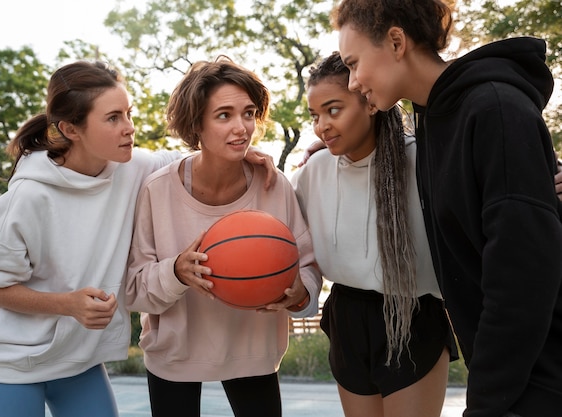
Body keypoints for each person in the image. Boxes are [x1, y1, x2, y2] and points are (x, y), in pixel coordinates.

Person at [0, 60, 277, 417]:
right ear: (71, 129)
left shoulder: (132, 167)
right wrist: (68, 304)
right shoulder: (27, 198)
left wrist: (240, 151)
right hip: (10, 366)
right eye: (113, 118)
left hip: (77, 363)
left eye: (128, 113)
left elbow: (196, 159)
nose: (129, 128)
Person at [331, 1, 562, 416]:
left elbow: (521, 281)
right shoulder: (435, 120)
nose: (351, 82)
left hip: (542, 379)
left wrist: (486, 403)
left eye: (353, 63)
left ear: (397, 41)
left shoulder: (495, 108)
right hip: (513, 378)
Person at [125, 56, 322, 417]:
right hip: (175, 356)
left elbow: (307, 267)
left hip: (252, 353)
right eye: (224, 115)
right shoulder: (158, 190)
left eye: (248, 113)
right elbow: (135, 288)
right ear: (196, 124)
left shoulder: (272, 184)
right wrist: (176, 272)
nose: (241, 128)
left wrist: (298, 292)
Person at [292, 51, 454, 417]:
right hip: (347, 316)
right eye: (315, 116)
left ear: (369, 102)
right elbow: (275, 222)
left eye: (333, 110)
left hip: (412, 318)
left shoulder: (425, 160)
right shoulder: (313, 171)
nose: (322, 126)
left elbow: (490, 190)